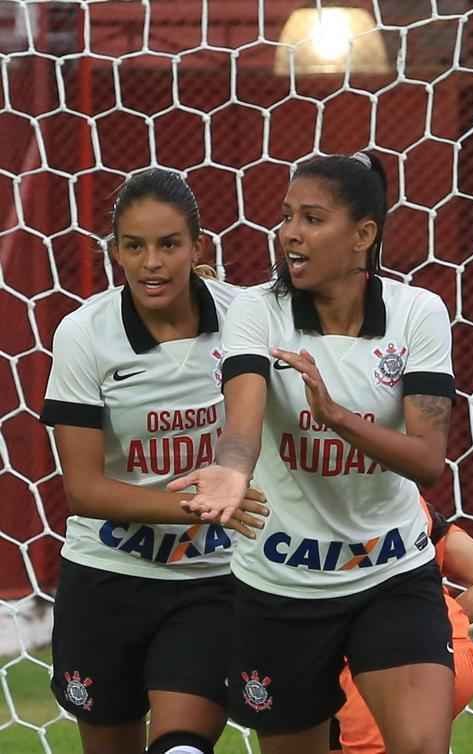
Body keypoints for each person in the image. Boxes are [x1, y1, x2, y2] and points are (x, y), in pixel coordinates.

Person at [169, 151, 457, 754]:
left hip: (390, 571)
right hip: (281, 585)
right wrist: (230, 470)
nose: (290, 233)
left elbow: (428, 459)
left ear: (364, 235)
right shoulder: (256, 310)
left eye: (312, 218)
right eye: (286, 217)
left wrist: (337, 419)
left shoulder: (417, 312)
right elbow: (243, 417)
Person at [39, 168, 268, 754]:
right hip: (107, 577)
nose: (152, 263)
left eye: (169, 244)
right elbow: (85, 491)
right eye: (134, 246)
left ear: (198, 246)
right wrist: (204, 504)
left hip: (210, 581)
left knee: (182, 746)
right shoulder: (83, 334)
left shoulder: (246, 316)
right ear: (115, 252)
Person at [333, 502, 473, 753]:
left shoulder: (314, 513)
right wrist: (434, 630)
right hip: (443, 655)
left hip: (377, 657)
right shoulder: (409, 506)